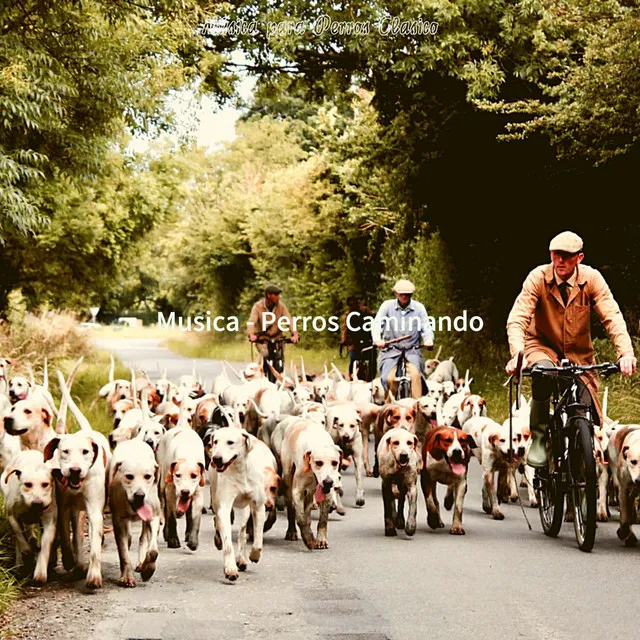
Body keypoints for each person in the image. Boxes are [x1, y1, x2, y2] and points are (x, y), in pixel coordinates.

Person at [505, 231, 637, 467]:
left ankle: (580, 451)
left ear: (580, 257)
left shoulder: (591, 279)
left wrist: (625, 353)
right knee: (543, 374)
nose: (560, 261)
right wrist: (518, 355)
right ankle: (539, 436)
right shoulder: (538, 278)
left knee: (584, 409)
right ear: (550, 255)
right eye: (556, 255)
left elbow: (612, 316)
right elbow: (518, 317)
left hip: (579, 353)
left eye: (567, 256)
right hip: (540, 346)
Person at [372, 279, 434, 399]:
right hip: (391, 350)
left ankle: (417, 408)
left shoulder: (419, 308)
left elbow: (426, 326)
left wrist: (428, 339)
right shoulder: (387, 306)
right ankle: (390, 409)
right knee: (389, 379)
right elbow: (377, 324)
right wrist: (378, 339)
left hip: (412, 350)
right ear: (396, 293)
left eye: (408, 294)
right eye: (402, 294)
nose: (405, 296)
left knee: (416, 376)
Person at [248, 284, 299, 374]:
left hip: (277, 338)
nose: (278, 297)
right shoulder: (258, 306)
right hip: (263, 339)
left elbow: (289, 320)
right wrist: (252, 335)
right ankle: (262, 373)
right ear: (268, 295)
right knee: (265, 354)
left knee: (279, 358)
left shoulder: (281, 307)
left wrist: (294, 334)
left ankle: (279, 376)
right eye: (276, 295)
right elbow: (252, 321)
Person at [340, 296, 375, 379]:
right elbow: (346, 328)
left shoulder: (365, 311)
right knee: (353, 358)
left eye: (354, 303)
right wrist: (344, 340)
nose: (353, 305)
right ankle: (352, 376)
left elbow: (374, 317)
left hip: (367, 339)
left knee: (372, 359)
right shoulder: (348, 315)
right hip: (354, 341)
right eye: (351, 304)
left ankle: (371, 377)